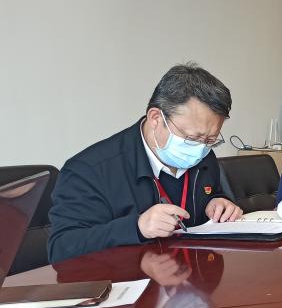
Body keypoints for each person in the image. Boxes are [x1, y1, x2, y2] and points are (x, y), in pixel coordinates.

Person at [48, 64, 242, 264]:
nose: (200, 148)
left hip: (193, 275)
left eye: (210, 140)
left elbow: (210, 195)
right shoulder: (89, 171)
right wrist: (137, 227)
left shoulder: (204, 157)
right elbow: (62, 249)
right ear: (156, 118)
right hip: (127, 279)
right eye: (192, 138)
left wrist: (217, 203)